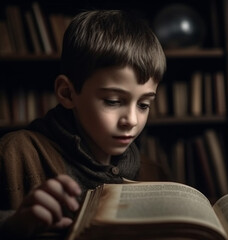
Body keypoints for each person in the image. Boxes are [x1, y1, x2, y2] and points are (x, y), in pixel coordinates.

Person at [0, 10, 167, 239]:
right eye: (113, 101)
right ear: (67, 93)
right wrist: (12, 226)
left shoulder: (153, 173)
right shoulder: (15, 153)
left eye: (144, 105)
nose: (132, 120)